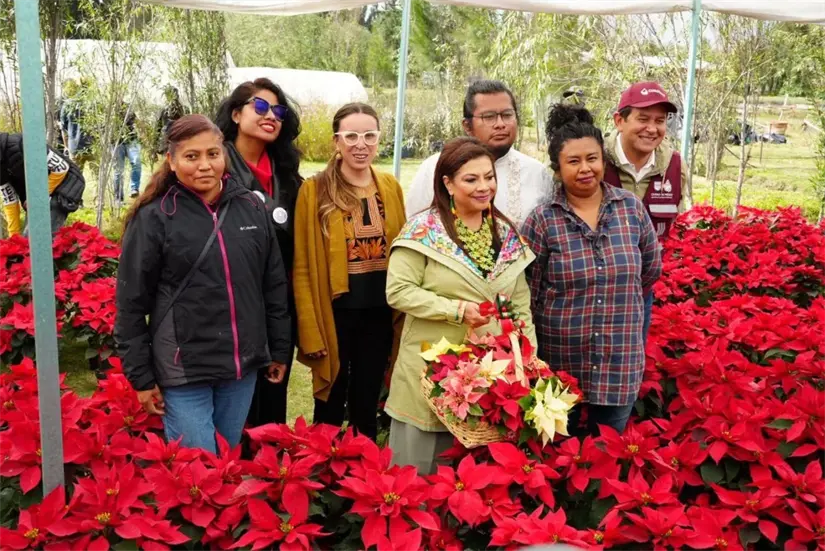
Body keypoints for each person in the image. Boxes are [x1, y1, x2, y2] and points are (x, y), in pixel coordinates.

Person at [114, 115, 291, 453]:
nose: (204, 165)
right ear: (172, 160)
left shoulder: (251, 207)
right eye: (191, 156)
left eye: (213, 154)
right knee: (197, 470)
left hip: (240, 367)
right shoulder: (155, 217)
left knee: (225, 461)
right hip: (184, 370)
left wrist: (278, 349)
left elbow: (273, 284)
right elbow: (130, 304)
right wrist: (141, 376)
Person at [386, 137, 536, 474]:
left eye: (489, 177)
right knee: (419, 475)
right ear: (448, 184)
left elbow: (520, 304)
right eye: (472, 179)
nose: (484, 187)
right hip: (430, 369)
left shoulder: (504, 232)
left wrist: (526, 358)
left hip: (490, 376)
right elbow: (398, 291)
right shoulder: (422, 231)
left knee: (476, 483)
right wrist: (456, 310)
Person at [522, 104, 662, 437]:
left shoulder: (630, 209)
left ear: (603, 161)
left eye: (592, 159)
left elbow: (649, 272)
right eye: (573, 161)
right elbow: (529, 292)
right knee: (555, 453)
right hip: (559, 364)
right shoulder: (542, 221)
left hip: (619, 361)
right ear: (557, 169)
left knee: (607, 455)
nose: (585, 169)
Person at [293, 103, 405, 440]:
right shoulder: (314, 190)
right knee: (328, 404)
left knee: (366, 402)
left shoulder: (390, 186)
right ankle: (323, 481)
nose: (361, 144)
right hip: (335, 313)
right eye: (351, 136)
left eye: (370, 135)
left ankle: (365, 482)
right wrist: (310, 330)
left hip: (380, 311)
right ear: (336, 141)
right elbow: (301, 266)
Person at [215, 78, 303, 427]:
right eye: (260, 107)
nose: (271, 116)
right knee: (233, 414)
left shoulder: (289, 178)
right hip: (230, 307)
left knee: (271, 407)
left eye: (278, 111)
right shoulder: (214, 170)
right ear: (236, 114)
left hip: (280, 307)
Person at [405, 80, 553, 225]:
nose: (500, 124)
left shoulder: (536, 173)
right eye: (489, 117)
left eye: (507, 115)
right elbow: (414, 227)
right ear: (467, 126)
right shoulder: (434, 167)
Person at [604, 81, 685, 342]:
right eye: (643, 119)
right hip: (591, 290)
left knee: (631, 362)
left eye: (660, 121)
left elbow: (675, 221)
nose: (652, 129)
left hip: (641, 291)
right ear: (619, 120)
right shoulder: (593, 158)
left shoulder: (673, 165)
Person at [0, 132, 85, 237]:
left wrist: (35, 197)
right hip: (38, 195)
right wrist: (14, 237)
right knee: (26, 243)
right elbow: (10, 200)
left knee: (36, 239)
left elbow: (61, 168)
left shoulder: (20, 144)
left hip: (64, 186)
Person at [59, 80, 94, 170]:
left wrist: (66, 147)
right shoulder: (91, 104)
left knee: (77, 178)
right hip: (91, 146)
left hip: (74, 147)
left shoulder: (67, 105)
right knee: (98, 177)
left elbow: (63, 129)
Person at [114, 101, 142, 201]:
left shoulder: (128, 107)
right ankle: (118, 198)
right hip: (116, 142)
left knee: (136, 162)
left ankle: (134, 189)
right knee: (118, 171)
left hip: (131, 140)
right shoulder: (108, 108)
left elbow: (136, 122)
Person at [154, 86, 186, 157]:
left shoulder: (184, 110)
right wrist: (154, 148)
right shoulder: (163, 110)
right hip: (167, 142)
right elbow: (157, 128)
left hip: (180, 142)